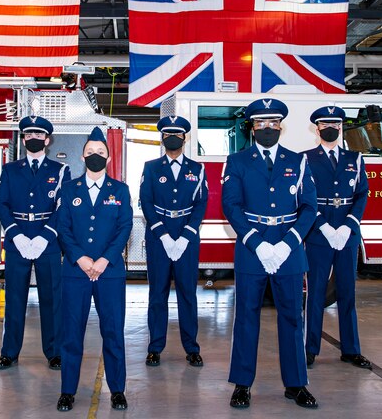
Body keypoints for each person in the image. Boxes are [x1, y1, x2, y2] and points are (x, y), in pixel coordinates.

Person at [222, 98, 319, 410]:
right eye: (261, 123)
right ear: (252, 127)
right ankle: (241, 384)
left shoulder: (298, 162)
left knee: (292, 318)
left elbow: (308, 207)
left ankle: (296, 384)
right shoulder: (236, 162)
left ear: (281, 126)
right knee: (246, 318)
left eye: (273, 123)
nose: (267, 128)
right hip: (253, 250)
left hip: (288, 250)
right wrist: (258, 244)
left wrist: (288, 243)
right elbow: (231, 206)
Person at [54, 127, 133, 412]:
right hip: (76, 273)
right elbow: (63, 229)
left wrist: (103, 260)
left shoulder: (120, 190)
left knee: (113, 332)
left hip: (109, 273)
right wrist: (81, 259)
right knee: (71, 333)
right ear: (82, 156)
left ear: (109, 158)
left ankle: (117, 389)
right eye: (90, 153)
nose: (95, 156)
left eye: (101, 152)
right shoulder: (70, 189)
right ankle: (67, 391)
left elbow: (125, 227)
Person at [0, 116, 70, 371]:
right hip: (18, 240)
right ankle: (9, 352)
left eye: (39, 135)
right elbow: (2, 204)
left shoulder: (60, 171)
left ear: (47, 140)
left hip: (47, 242)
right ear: (23, 139)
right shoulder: (9, 170)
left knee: (52, 299)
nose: (33, 139)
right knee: (15, 298)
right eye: (29, 135)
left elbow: (63, 207)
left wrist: (45, 235)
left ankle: (54, 352)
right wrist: (15, 234)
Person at [303, 106, 371, 370]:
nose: (330, 127)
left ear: (341, 127)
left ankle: (351, 349)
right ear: (317, 128)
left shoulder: (355, 158)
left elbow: (362, 194)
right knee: (316, 292)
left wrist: (349, 225)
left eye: (335, 123)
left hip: (347, 234)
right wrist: (323, 226)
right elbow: (304, 198)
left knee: (347, 292)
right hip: (319, 234)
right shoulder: (305, 159)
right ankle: (310, 349)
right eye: (325, 123)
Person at [139, 115, 208, 368]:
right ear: (162, 137)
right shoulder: (151, 167)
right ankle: (155, 347)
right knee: (157, 293)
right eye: (168, 134)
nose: (173, 138)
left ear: (184, 138)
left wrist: (188, 234)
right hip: (159, 238)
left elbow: (201, 203)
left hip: (187, 238)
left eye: (177, 134)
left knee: (188, 294)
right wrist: (163, 234)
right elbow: (145, 202)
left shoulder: (197, 169)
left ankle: (192, 348)